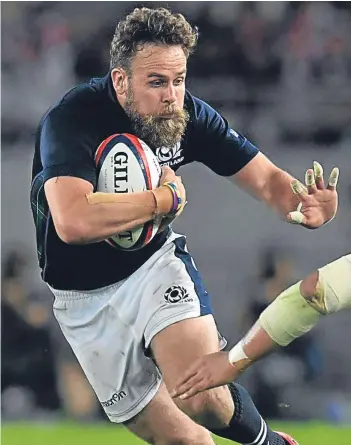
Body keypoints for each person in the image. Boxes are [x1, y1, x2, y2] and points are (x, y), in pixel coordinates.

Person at [30, 7, 339, 445]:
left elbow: (267, 179)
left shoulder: (188, 116)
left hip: (153, 267)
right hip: (83, 300)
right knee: (187, 442)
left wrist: (303, 201)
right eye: (156, 82)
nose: (172, 95)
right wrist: (164, 198)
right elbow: (73, 221)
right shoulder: (72, 119)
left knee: (200, 395)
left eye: (179, 80)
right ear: (121, 81)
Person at [171, 254, 350, 401]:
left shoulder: (263, 296)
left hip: (282, 356)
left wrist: (233, 361)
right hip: (271, 358)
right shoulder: (258, 298)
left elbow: (315, 290)